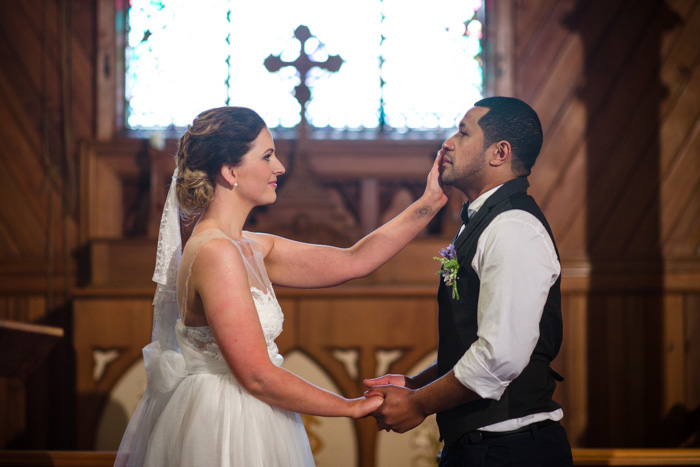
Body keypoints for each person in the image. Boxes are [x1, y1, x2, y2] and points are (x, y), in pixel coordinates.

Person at [115, 106, 447, 466]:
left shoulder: (252, 247)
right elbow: (257, 375)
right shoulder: (215, 253)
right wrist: (350, 407)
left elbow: (355, 260)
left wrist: (430, 203)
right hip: (227, 420)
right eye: (267, 156)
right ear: (230, 172)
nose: (280, 168)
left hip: (257, 413)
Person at [364, 97, 574, 466]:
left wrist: (418, 404)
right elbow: (476, 343)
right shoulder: (484, 221)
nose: (447, 142)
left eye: (463, 133)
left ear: (499, 153)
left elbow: (498, 357)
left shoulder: (513, 228)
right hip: (485, 447)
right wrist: (416, 384)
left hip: (512, 450)